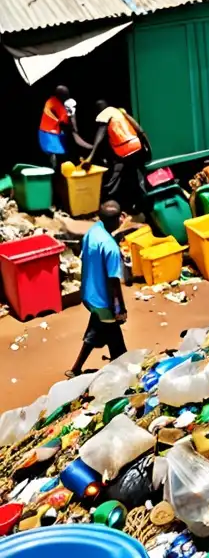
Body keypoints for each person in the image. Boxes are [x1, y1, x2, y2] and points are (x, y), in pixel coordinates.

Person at [67, 201, 128, 376]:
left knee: (97, 329)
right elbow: (113, 282)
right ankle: (122, 377)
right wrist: (119, 308)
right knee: (117, 344)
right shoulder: (110, 247)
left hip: (88, 295)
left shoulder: (92, 232)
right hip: (103, 300)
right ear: (117, 219)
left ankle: (75, 369)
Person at [86, 101, 149, 213]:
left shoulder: (105, 115)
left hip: (123, 150)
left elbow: (100, 137)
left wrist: (90, 157)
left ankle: (107, 206)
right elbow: (139, 128)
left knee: (114, 177)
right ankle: (143, 206)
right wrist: (147, 146)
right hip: (136, 146)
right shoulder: (119, 112)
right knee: (138, 176)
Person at [38, 85, 77, 169]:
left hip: (44, 132)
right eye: (66, 95)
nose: (68, 97)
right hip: (52, 136)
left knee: (53, 156)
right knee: (58, 158)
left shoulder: (50, 100)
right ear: (61, 95)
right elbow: (66, 124)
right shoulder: (59, 107)